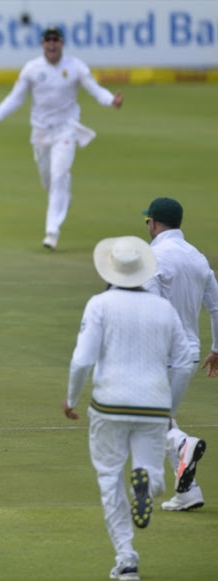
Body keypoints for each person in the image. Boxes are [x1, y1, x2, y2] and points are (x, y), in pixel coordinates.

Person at [63, 236, 192, 581]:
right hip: (153, 407)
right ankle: (148, 484)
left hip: (109, 405)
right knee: (156, 477)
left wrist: (72, 399)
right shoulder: (163, 308)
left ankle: (127, 558)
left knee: (109, 478)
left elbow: (82, 360)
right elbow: (182, 363)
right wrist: (169, 409)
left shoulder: (100, 304)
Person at [0, 26, 124, 250]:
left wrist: (110, 100)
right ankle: (63, 198)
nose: (52, 44)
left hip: (66, 129)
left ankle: (51, 233)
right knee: (49, 180)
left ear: (62, 44)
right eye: (48, 40)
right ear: (42, 44)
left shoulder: (75, 67)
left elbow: (95, 90)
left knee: (58, 176)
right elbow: (15, 98)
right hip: (40, 132)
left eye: (56, 40)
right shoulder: (32, 68)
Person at [141, 197, 218, 511]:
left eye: (148, 221)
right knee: (161, 416)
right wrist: (216, 348)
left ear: (155, 223)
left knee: (146, 418)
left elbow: (150, 308)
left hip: (160, 352)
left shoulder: (154, 256)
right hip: (189, 355)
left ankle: (184, 444)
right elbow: (215, 306)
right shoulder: (197, 257)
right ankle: (188, 492)